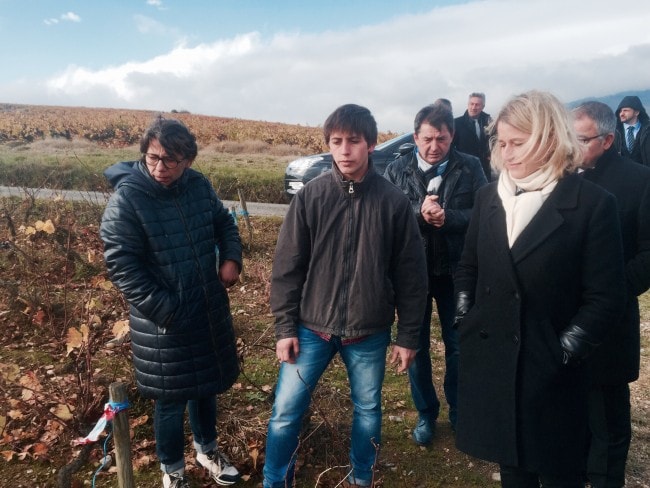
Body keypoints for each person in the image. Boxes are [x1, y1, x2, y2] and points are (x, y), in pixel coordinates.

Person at [453, 91, 626, 487]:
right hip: (496, 357)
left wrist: (565, 350)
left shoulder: (592, 204)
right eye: (502, 142)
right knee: (513, 467)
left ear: (548, 139)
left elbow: (605, 296)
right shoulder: (488, 198)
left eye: (519, 143)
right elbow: (469, 266)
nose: (507, 153)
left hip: (552, 370)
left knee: (560, 471)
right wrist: (466, 314)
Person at [264, 104, 428, 488]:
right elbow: (287, 268)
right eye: (336, 142)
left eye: (353, 141)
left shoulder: (393, 203)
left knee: (368, 410)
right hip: (309, 328)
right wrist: (285, 326)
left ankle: (361, 479)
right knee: (285, 412)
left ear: (370, 144)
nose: (344, 150)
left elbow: (411, 276)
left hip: (368, 331)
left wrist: (408, 336)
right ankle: (275, 482)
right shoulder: (311, 198)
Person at [100, 116, 243, 488]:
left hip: (206, 308)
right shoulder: (128, 199)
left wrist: (231, 257)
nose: (160, 168)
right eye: (153, 158)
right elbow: (122, 266)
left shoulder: (197, 185)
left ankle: (207, 450)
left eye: (171, 160)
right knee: (169, 399)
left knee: (206, 386)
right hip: (163, 320)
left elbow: (224, 223)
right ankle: (172, 470)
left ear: (188, 161)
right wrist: (167, 310)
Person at [384, 103, 487, 443]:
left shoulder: (471, 167)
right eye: (427, 138)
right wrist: (420, 215)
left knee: (459, 346)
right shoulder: (397, 170)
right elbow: (385, 218)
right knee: (415, 347)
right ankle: (426, 413)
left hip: (457, 272)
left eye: (441, 138)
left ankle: (460, 411)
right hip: (412, 274)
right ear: (415, 137)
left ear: (451, 136)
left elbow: (485, 213)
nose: (433, 146)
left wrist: (449, 218)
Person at [572, 101, 650, 488]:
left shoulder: (639, 180)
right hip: (566, 316)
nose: (572, 147)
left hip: (611, 320)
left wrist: (608, 293)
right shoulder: (564, 178)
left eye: (581, 140)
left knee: (608, 414)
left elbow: (648, 254)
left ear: (607, 139)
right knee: (574, 405)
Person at [453, 92, 493, 180]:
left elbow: (495, 140)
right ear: (468, 104)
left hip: (485, 168)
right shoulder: (456, 123)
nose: (473, 107)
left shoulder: (490, 123)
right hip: (465, 169)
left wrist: (491, 154)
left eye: (477, 105)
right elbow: (451, 147)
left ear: (483, 107)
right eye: (471, 104)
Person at [615, 95, 650, 166]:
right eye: (620, 111)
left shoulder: (648, 131)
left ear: (636, 112)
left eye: (625, 110)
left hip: (646, 174)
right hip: (623, 175)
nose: (621, 114)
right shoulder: (614, 133)